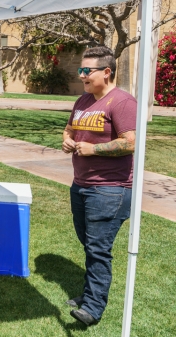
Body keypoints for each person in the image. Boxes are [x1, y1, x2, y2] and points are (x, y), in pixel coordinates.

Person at [62, 46, 137, 326]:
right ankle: (90, 293)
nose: (81, 75)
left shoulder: (122, 102)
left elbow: (130, 142)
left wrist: (94, 150)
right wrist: (67, 140)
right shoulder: (83, 100)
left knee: (97, 248)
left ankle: (92, 308)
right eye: (80, 70)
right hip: (81, 185)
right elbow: (69, 128)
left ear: (107, 72)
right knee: (89, 243)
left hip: (110, 189)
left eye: (86, 71)